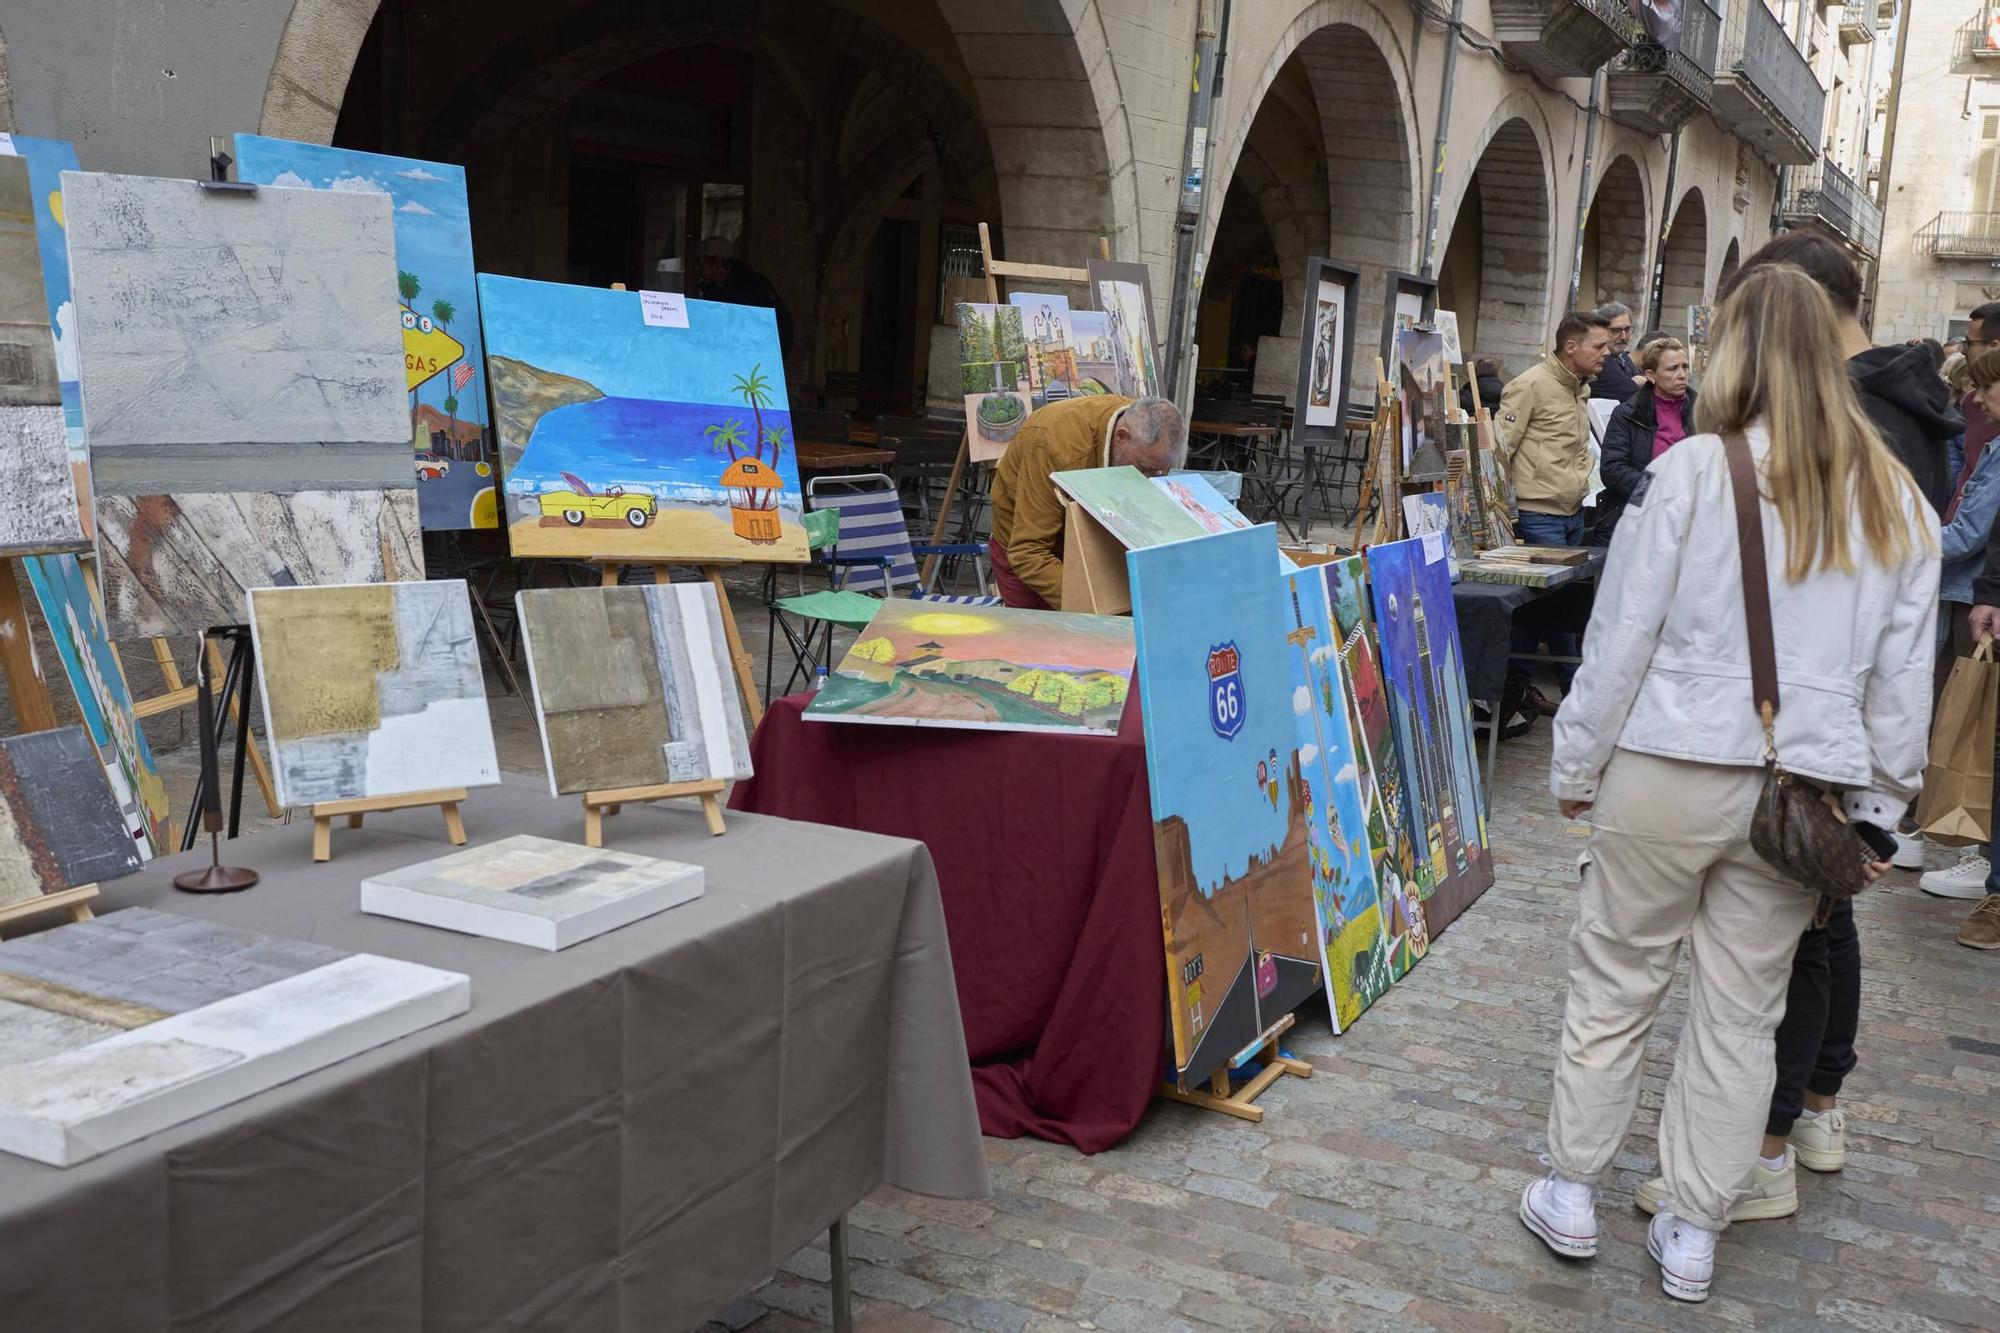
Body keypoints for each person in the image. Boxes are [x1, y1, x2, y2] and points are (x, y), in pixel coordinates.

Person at [1522, 264, 1936, 1304]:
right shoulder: (1893, 498)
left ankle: (1570, 1187)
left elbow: (1618, 637)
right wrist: (1881, 813)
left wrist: (1576, 762)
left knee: (1614, 985)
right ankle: (1693, 1227)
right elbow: (1900, 677)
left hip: (1667, 761)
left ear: (1735, 351)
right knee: (1738, 1014)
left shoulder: (1691, 473)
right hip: (1794, 790)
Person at [1499, 311, 1611, 714]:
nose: (1607, 352)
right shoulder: (1530, 385)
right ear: (1571, 347)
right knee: (1560, 608)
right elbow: (1499, 451)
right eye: (1598, 346)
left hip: (1571, 513)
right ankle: (1575, 696)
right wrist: (1501, 514)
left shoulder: (1578, 389)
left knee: (1539, 612)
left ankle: (1516, 689)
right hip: (1537, 513)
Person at [987, 394, 1185, 609]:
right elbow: (1028, 552)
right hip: (1029, 553)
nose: (1147, 479)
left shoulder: (1140, 435)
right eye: (1144, 468)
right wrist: (1090, 605)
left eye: (1160, 472)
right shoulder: (1056, 445)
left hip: (1088, 548)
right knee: (1048, 637)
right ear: (1121, 437)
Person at [1588, 336, 1694, 546]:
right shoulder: (1628, 414)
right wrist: (1660, 489)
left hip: (1686, 523)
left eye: (1685, 367)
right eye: (1672, 369)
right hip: (1635, 519)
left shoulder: (1702, 413)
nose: (1681, 375)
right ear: (1651, 375)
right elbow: (1613, 470)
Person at [692, 235, 793, 352]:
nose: (698, 269)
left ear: (718, 262)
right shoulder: (714, 287)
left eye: (701, 264)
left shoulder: (750, 286)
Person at [1948, 301, 2000, 519]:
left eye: (1969, 343)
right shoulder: (1971, 403)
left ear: (1995, 346)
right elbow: (1966, 476)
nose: (1964, 351)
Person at [1588, 302, 1640, 402]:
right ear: (1601, 330)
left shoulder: (1623, 357)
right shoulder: (1600, 359)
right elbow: (1630, 392)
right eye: (1616, 330)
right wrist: (1637, 383)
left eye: (1627, 329)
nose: (1623, 336)